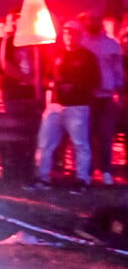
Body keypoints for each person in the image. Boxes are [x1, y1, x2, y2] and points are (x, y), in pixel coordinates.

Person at [30, 20, 101, 193]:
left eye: (73, 33)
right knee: (45, 143)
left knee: (80, 144)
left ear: (80, 36)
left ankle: (82, 180)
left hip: (78, 106)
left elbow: (95, 81)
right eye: (67, 33)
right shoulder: (56, 55)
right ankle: (43, 178)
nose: (69, 36)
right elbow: (46, 77)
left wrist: (75, 86)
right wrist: (52, 84)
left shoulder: (88, 56)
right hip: (55, 104)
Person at [79, 12, 124, 186]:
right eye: (90, 19)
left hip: (106, 96)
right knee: (87, 136)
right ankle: (88, 172)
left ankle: (106, 171)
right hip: (87, 96)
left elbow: (117, 69)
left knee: (106, 135)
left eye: (96, 19)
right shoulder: (81, 43)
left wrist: (118, 92)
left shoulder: (111, 44)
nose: (93, 22)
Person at [0, 12, 34, 113]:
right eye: (12, 21)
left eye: (17, 19)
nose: (15, 23)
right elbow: (6, 65)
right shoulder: (8, 41)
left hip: (24, 91)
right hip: (11, 91)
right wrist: (27, 79)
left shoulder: (25, 39)